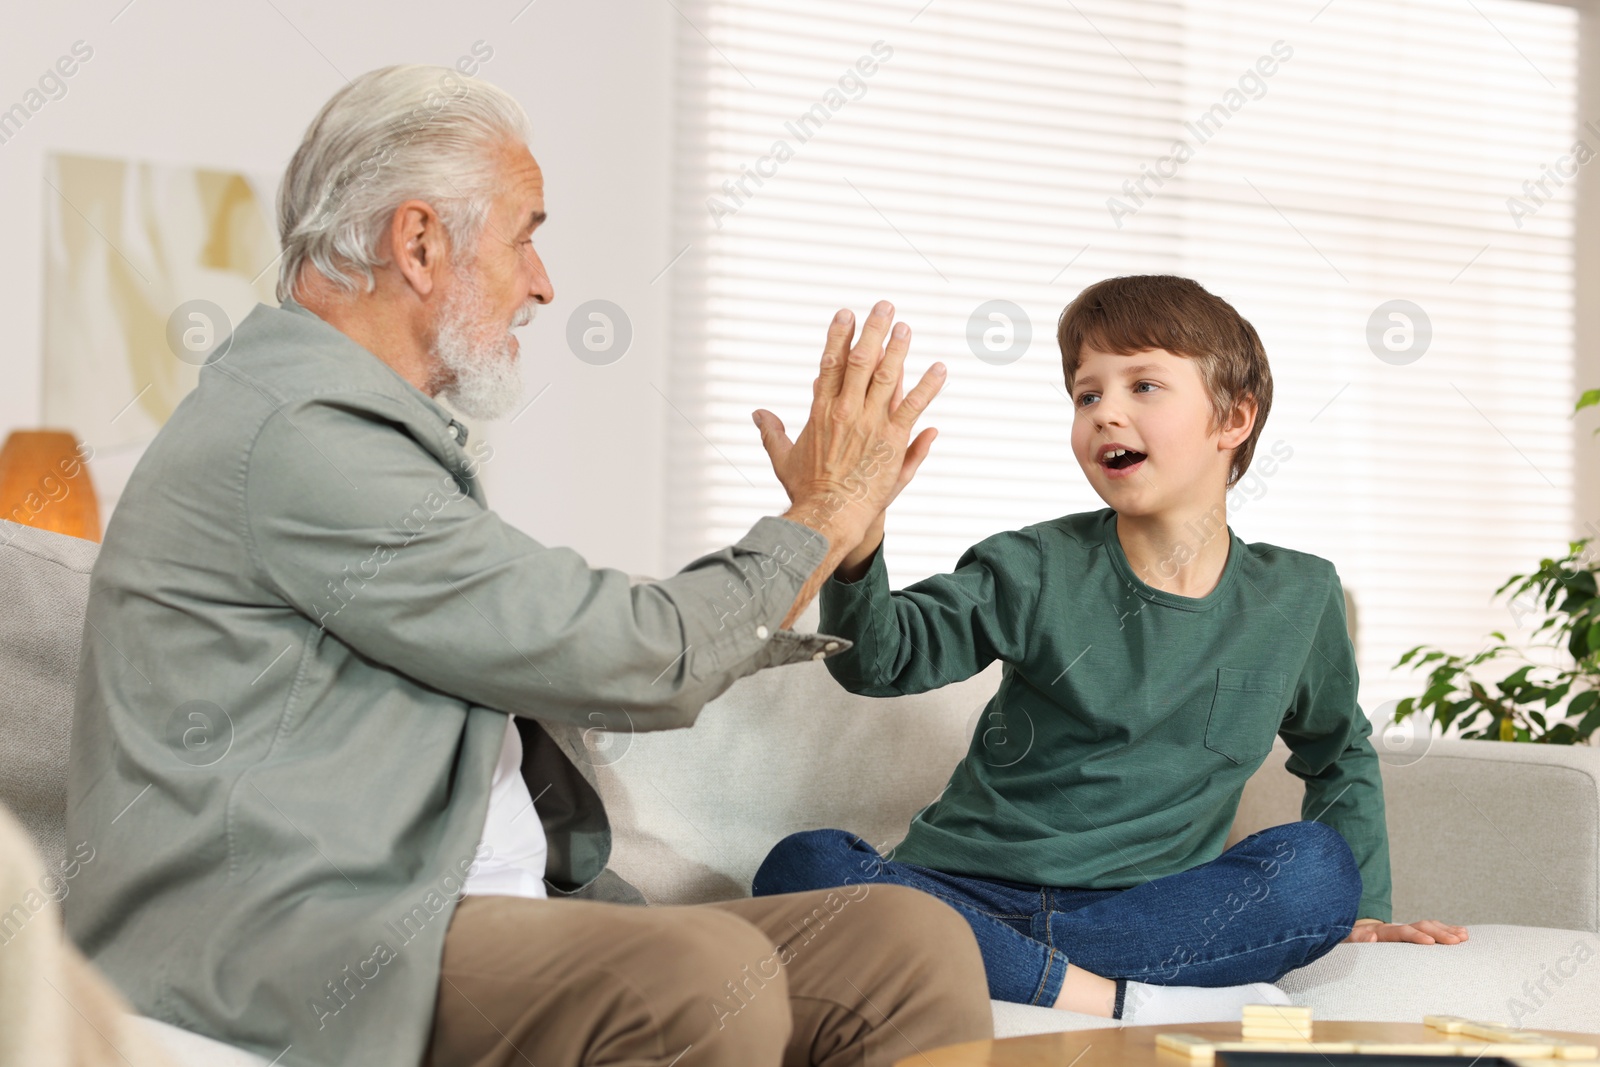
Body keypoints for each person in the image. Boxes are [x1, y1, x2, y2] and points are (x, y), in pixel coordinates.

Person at [63, 64, 991, 1067]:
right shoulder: (294, 437)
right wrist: (814, 519)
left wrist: (819, 537)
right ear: (418, 243)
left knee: (903, 944)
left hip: (460, 911)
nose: (543, 282)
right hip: (291, 937)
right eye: (525, 233)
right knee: (699, 980)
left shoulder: (367, 435)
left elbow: (570, 621)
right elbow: (622, 650)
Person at [751, 274, 1469, 1024]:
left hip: (1145, 911)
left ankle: (1012, 972)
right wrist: (857, 541)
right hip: (964, 888)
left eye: (1144, 385)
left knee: (1319, 871)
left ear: (1234, 417)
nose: (1105, 413)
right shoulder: (1030, 564)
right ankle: (1115, 998)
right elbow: (880, 661)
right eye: (1086, 394)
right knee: (804, 866)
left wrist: (1368, 910)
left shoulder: (1298, 593)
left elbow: (1339, 752)